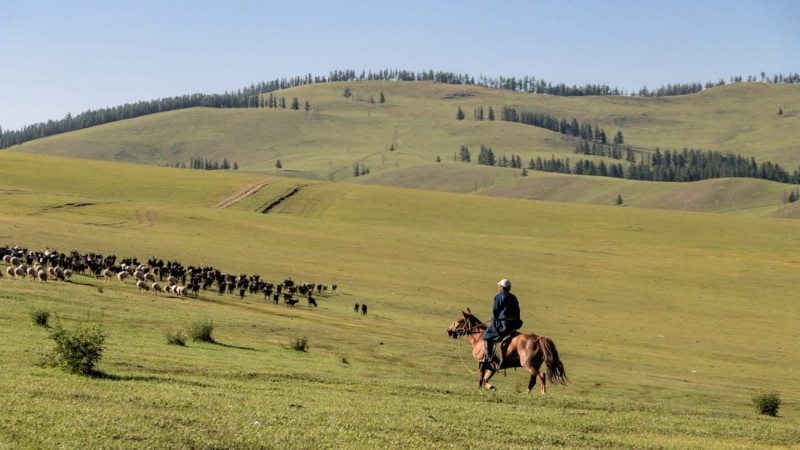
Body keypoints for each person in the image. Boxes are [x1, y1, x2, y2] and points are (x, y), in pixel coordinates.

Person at [481, 279, 523, 367]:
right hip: (514, 324)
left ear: (501, 287)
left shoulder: (498, 297)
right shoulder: (513, 297)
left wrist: (493, 319)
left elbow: (495, 310)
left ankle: (489, 358)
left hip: (504, 324)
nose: (499, 287)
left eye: (499, 285)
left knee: (486, 336)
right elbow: (518, 311)